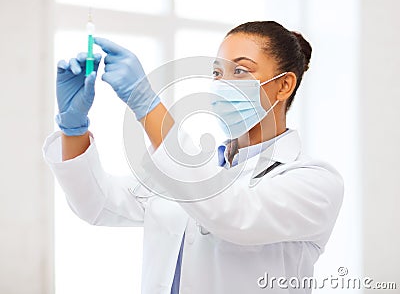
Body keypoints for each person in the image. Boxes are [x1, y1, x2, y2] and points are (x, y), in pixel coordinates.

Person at [43, 21, 344, 293]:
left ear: (284, 85)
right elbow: (98, 204)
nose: (223, 83)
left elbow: (231, 213)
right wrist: (73, 127)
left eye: (240, 70)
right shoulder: (195, 171)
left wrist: (145, 103)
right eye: (217, 72)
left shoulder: (314, 182)